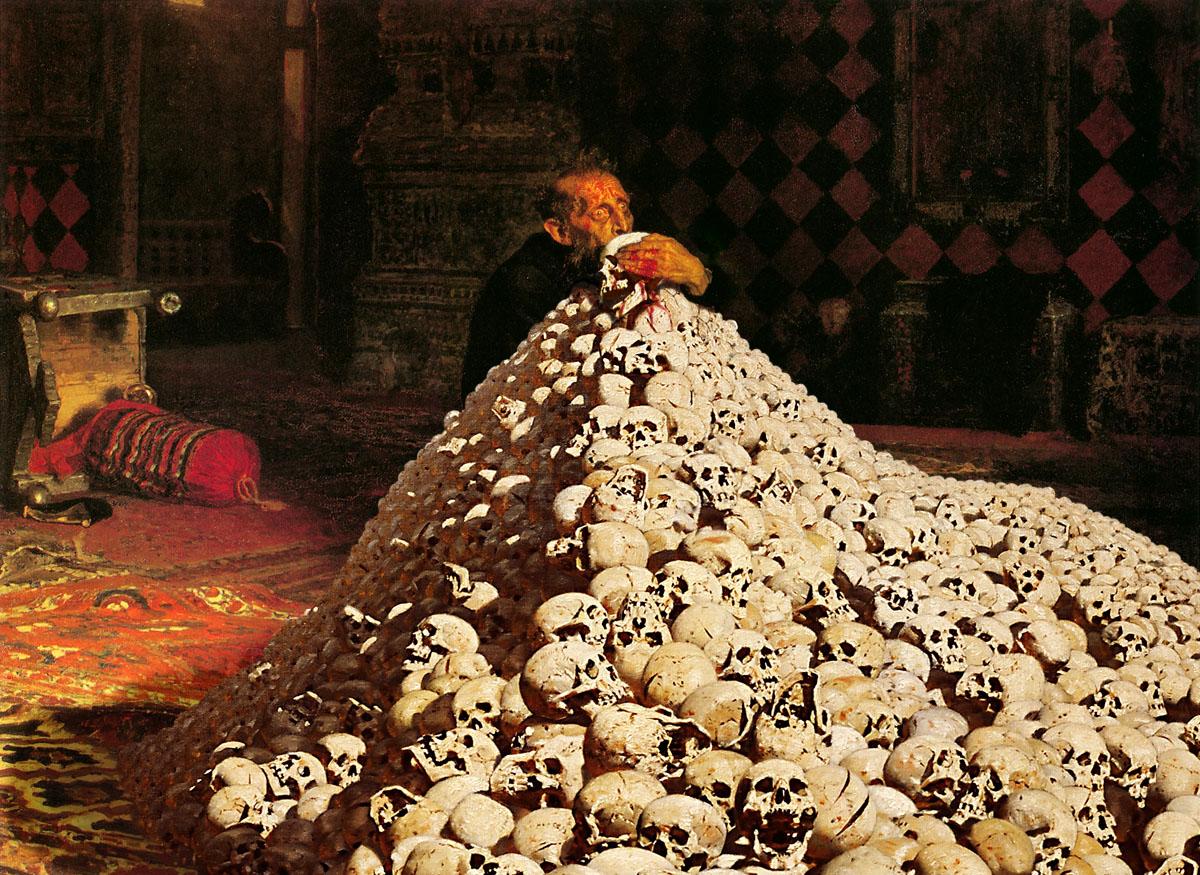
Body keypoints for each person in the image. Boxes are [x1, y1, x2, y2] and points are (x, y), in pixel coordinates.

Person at [459, 153, 726, 400]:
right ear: (561, 231)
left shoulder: (619, 263)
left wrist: (696, 274)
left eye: (624, 207)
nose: (622, 225)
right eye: (600, 213)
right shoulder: (525, 281)